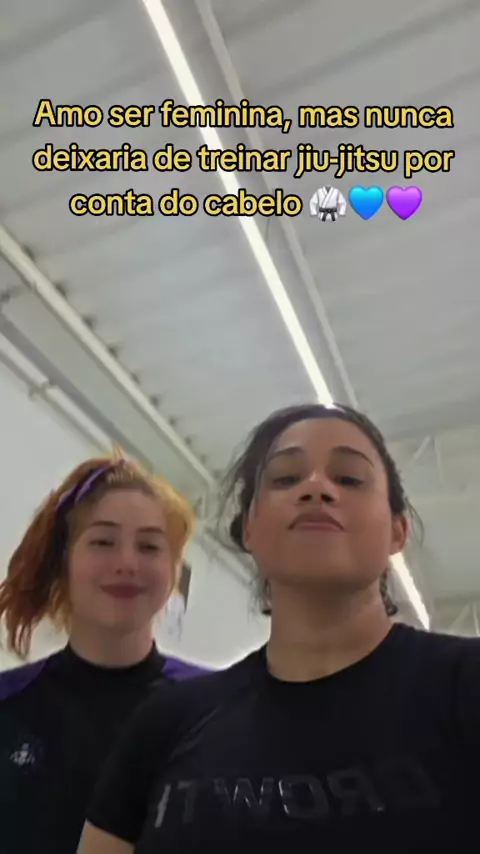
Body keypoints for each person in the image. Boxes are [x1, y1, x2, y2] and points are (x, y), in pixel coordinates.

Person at [78, 404, 480, 854]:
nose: (316, 488)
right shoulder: (166, 723)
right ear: (249, 528)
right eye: (286, 479)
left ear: (398, 531)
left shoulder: (465, 684)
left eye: (349, 478)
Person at [0, 453, 208, 854]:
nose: (127, 563)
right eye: (103, 542)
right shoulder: (9, 703)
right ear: (64, 563)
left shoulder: (216, 710)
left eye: (149, 546)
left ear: (172, 573)